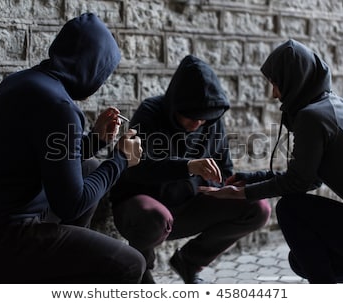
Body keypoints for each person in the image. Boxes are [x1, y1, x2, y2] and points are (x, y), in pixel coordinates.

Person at [0, 13, 146, 283]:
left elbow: (45, 158)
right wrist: (121, 159)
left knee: (89, 168)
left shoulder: (26, 81)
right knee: (131, 264)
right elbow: (71, 205)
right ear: (90, 68)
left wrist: (96, 140)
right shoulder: (59, 107)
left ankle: (57, 272)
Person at [201, 39, 343, 283]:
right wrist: (249, 179)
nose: (274, 94)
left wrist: (240, 194)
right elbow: (311, 178)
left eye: (276, 83)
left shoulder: (312, 117)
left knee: (290, 208)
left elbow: (298, 182)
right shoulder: (330, 106)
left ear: (294, 79)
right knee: (301, 260)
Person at [110, 54, 271, 284]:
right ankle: (142, 270)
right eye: (191, 116)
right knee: (155, 217)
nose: (197, 123)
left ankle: (190, 261)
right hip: (140, 210)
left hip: (187, 207)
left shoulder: (210, 118)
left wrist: (223, 187)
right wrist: (188, 167)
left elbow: (224, 169)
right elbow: (136, 169)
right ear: (176, 103)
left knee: (258, 207)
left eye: (203, 118)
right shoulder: (151, 112)